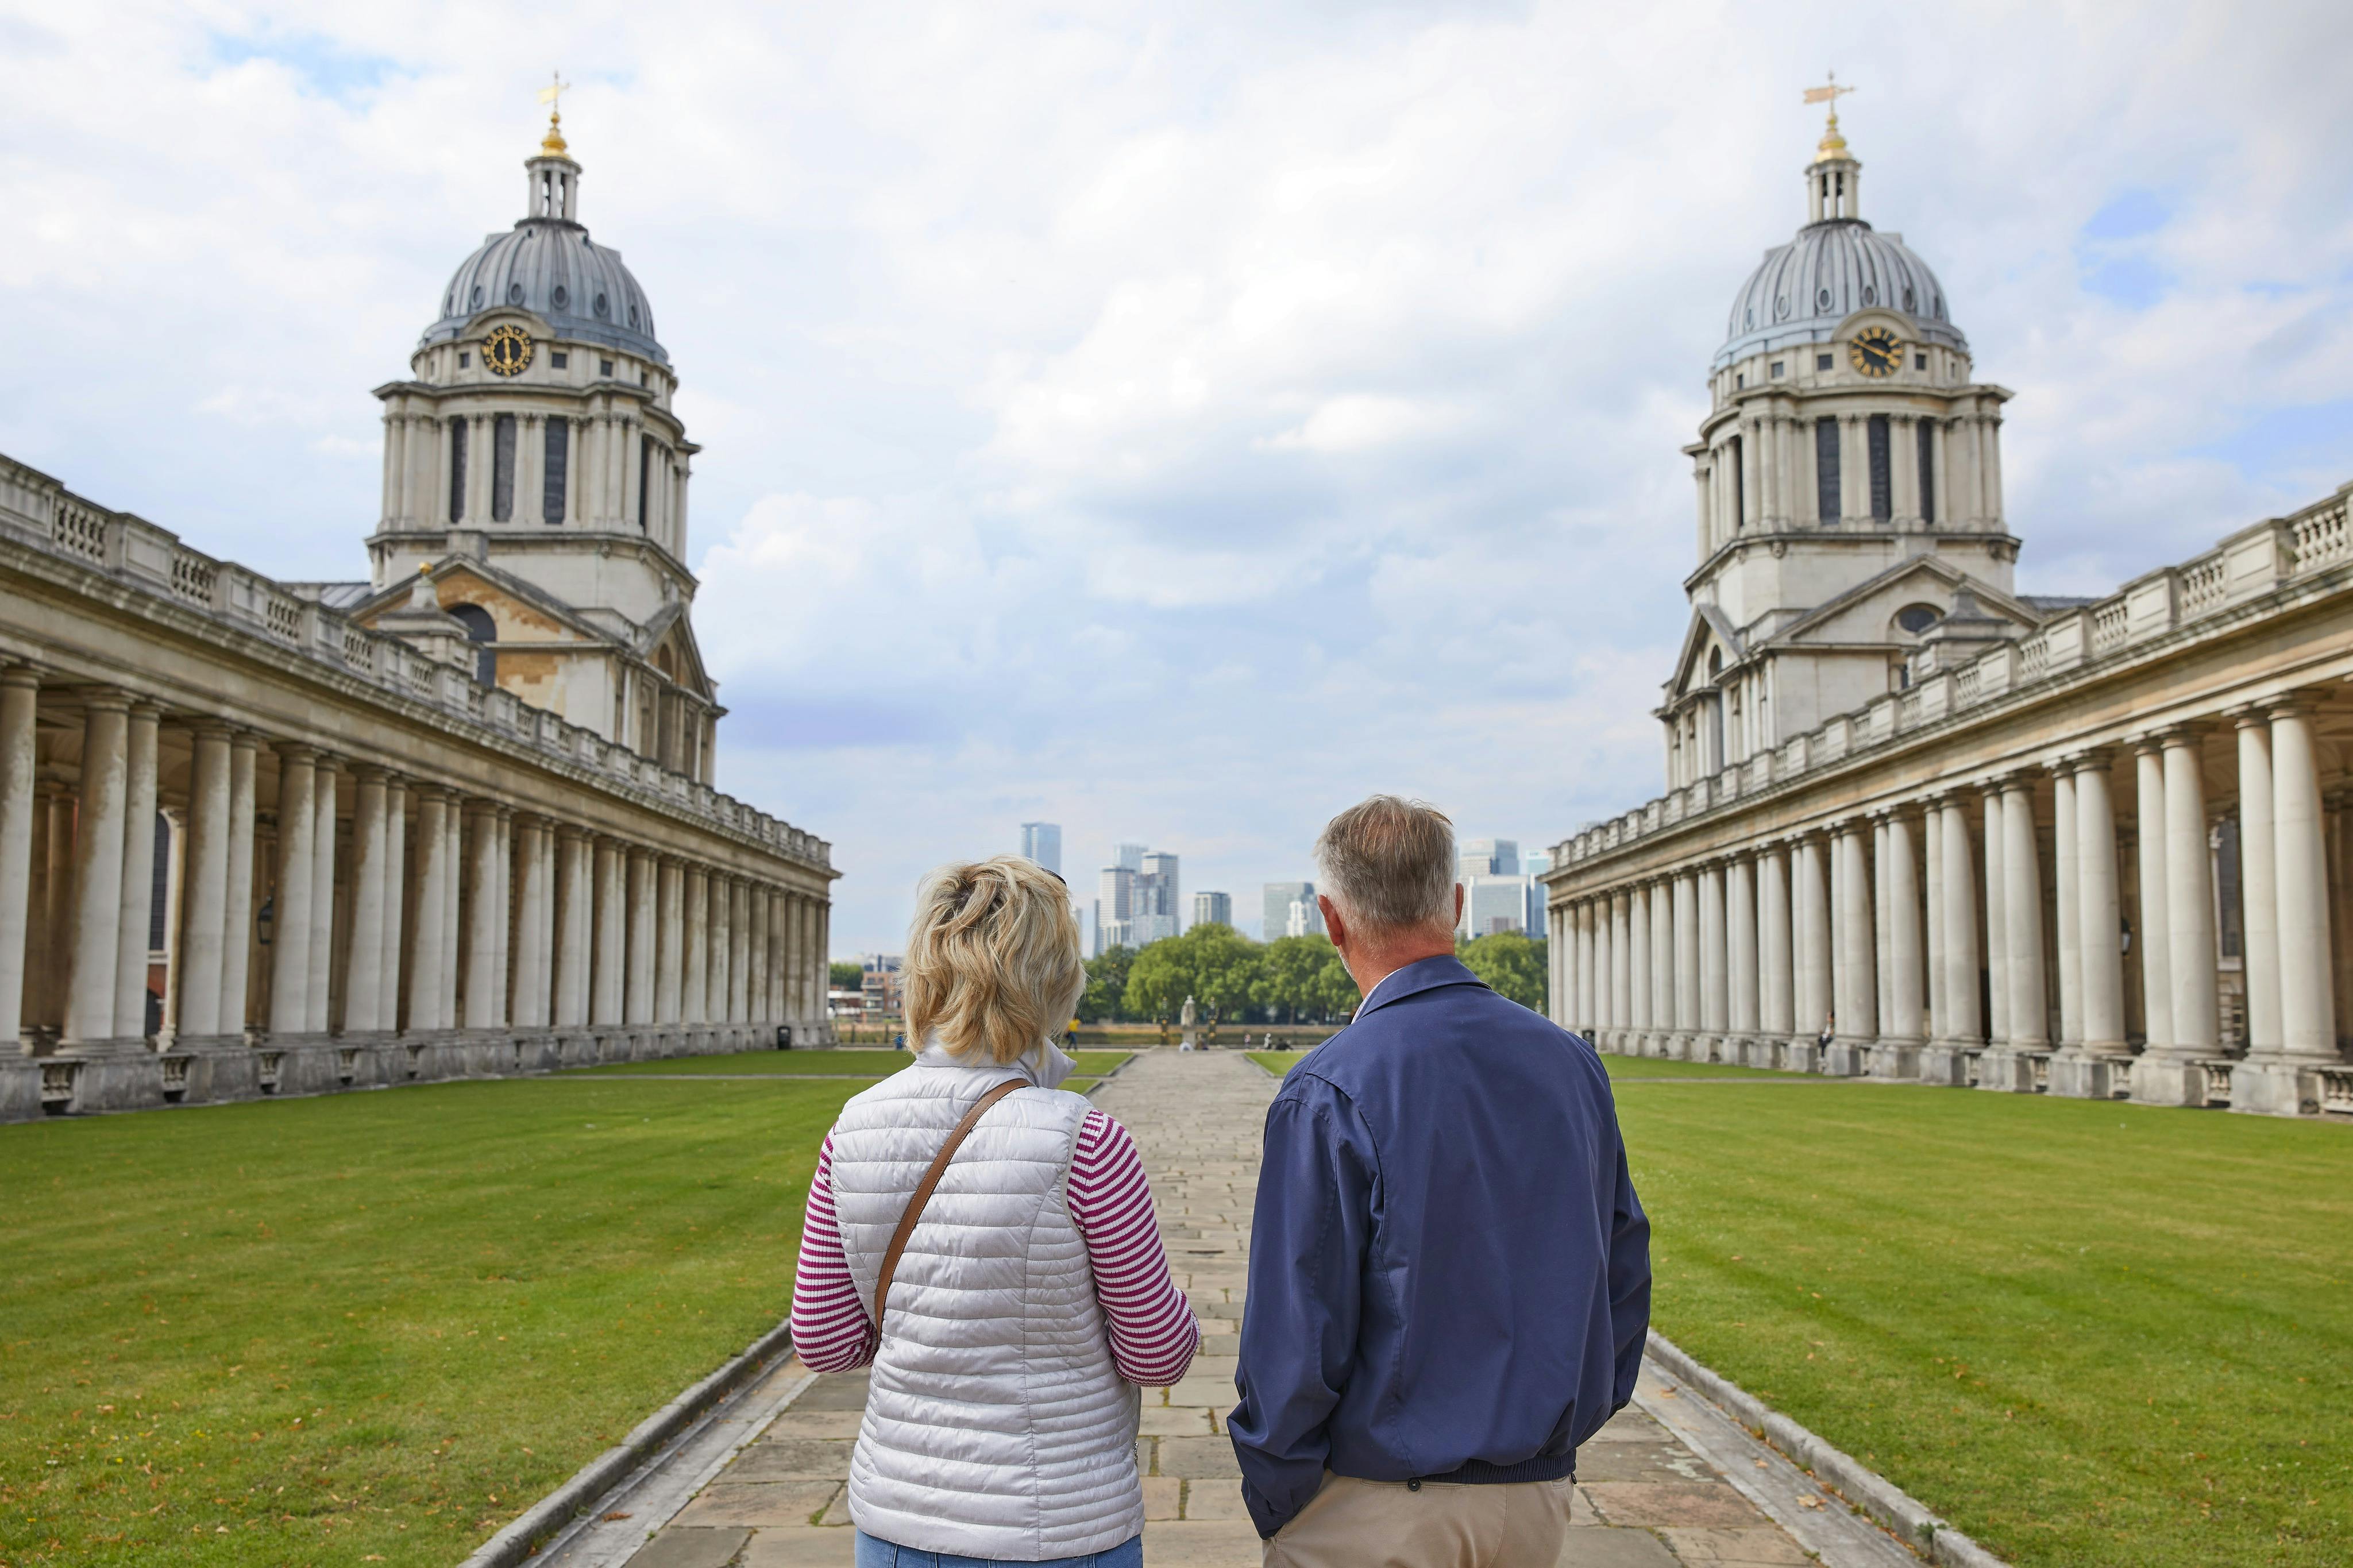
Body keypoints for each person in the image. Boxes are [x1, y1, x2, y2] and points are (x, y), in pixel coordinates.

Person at [1229, 797, 1651, 1567]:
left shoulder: (1328, 1087)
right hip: (1535, 1497)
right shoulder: (1572, 1063)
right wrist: (1558, 1433)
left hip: (1376, 1500)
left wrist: (1279, 1494)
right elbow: (1621, 1273)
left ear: (1331, 920)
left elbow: (1296, 1332)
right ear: (1455, 904)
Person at [789, 856, 1199, 1567]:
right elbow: (1156, 1353)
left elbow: (825, 1343)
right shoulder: (1087, 1140)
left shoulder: (851, 1128)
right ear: (1053, 980)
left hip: (899, 1522)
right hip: (1058, 1525)